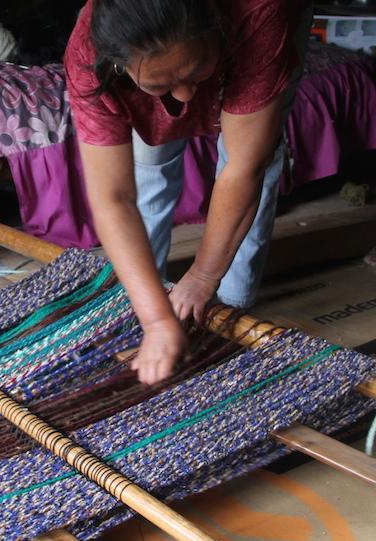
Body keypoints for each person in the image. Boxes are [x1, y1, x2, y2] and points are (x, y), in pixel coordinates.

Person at [64, 0, 312, 385]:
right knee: (151, 158)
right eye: (159, 85)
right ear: (117, 65)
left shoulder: (260, 14)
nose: (183, 97)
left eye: (197, 71)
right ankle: (141, 311)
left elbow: (244, 169)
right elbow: (114, 198)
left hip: (250, 29)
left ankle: (227, 315)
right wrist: (155, 317)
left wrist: (203, 277)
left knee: (252, 156)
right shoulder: (88, 56)